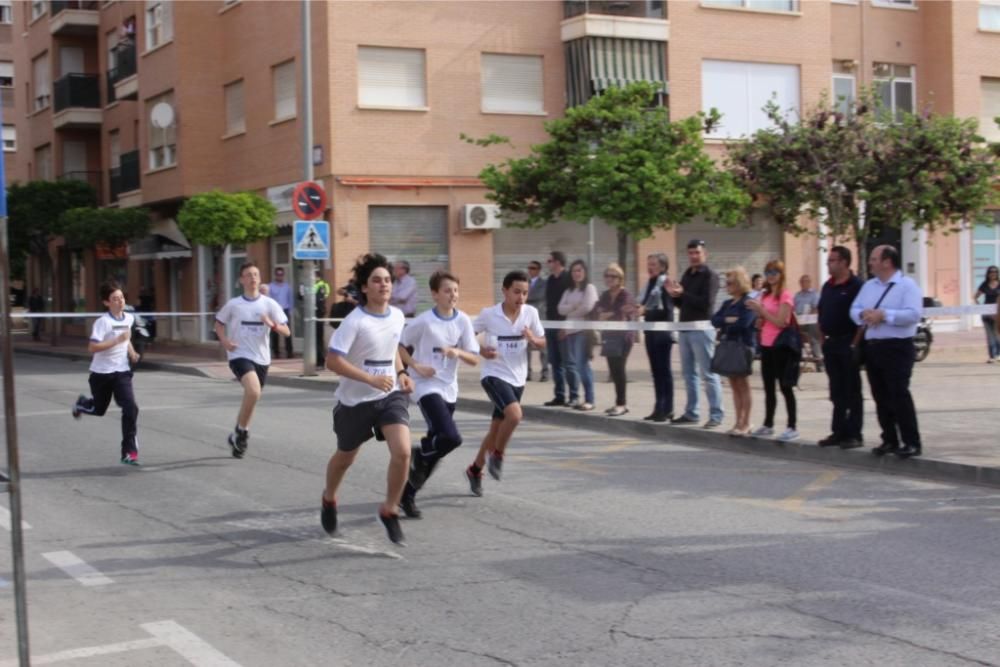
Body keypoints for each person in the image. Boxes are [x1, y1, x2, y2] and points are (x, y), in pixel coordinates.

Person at [322, 253, 414, 545]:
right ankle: (329, 498)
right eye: (376, 280)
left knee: (402, 451)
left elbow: (391, 351)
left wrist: (401, 373)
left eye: (387, 280)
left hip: (389, 396)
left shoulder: (398, 316)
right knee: (345, 458)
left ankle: (389, 510)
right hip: (355, 402)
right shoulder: (355, 321)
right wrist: (370, 378)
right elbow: (333, 361)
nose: (384, 285)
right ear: (364, 287)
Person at [397, 271, 480, 518]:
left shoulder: (463, 320)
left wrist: (458, 353)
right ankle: (421, 450)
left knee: (439, 447)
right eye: (447, 290)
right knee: (451, 438)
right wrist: (416, 366)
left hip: (449, 388)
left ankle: (407, 495)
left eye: (455, 290)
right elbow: (399, 347)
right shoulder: (423, 321)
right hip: (425, 385)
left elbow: (474, 358)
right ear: (435, 294)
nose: (452, 295)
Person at [466, 270, 546, 496]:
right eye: (516, 292)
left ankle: (475, 469)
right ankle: (498, 456)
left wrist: (533, 339)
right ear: (505, 291)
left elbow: (543, 342)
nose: (521, 298)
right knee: (515, 415)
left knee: (495, 431)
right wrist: (481, 350)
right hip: (494, 375)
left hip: (517, 378)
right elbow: (467, 334)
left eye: (525, 293)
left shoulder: (530, 313)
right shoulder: (489, 314)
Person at [850, 244, 924, 458]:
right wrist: (864, 314)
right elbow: (854, 310)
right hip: (874, 347)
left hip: (898, 347)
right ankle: (889, 439)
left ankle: (911, 441)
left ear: (887, 262)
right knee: (880, 395)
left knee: (899, 394)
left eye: (874, 258)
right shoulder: (869, 286)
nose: (870, 262)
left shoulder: (907, 285)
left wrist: (885, 315)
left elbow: (913, 315)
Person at [214, 261, 291, 459]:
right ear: (241, 280)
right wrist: (225, 342)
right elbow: (219, 324)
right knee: (253, 390)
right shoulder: (234, 304)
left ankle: (239, 432)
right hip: (239, 355)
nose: (253, 278)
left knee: (253, 396)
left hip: (262, 358)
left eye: (256, 274)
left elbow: (286, 331)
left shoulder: (269, 304)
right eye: (248, 275)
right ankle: (244, 433)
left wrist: (271, 324)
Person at [71, 281, 142, 465]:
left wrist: (131, 351)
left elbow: (126, 339)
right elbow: (92, 347)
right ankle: (82, 405)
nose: (120, 301)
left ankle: (129, 452)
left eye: (121, 298)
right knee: (99, 409)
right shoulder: (103, 322)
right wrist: (117, 340)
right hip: (101, 374)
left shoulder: (129, 318)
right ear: (106, 303)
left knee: (131, 408)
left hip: (122, 372)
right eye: (115, 299)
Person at [667, 239, 723, 428]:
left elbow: (706, 304)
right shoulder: (688, 274)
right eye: (690, 253)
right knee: (689, 373)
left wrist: (683, 294)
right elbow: (682, 303)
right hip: (685, 328)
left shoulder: (710, 276)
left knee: (708, 373)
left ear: (704, 254)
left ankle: (716, 414)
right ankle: (692, 412)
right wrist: (674, 296)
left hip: (701, 329)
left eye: (696, 253)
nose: (693, 256)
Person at [816, 245, 864, 449]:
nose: (829, 264)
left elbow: (862, 319)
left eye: (832, 260)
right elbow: (821, 312)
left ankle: (854, 433)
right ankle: (838, 430)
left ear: (844, 262)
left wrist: (854, 344)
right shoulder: (828, 286)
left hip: (848, 342)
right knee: (836, 390)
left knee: (852, 390)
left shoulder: (857, 285)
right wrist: (822, 338)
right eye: (828, 260)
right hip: (831, 343)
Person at [747, 260, 800, 442]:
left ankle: (792, 426)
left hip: (781, 346)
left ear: (781, 274)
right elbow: (765, 321)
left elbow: (781, 322)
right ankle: (768, 423)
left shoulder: (785, 296)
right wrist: (759, 319)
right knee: (768, 387)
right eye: (768, 272)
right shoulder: (765, 295)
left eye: (774, 272)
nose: (770, 275)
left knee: (785, 387)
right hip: (766, 345)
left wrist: (762, 311)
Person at [711, 267, 756, 436]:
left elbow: (744, 323)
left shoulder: (748, 302)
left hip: (743, 346)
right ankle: (737, 421)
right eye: (726, 282)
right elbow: (715, 320)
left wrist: (727, 322)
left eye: (730, 282)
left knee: (743, 384)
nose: (727, 286)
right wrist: (728, 320)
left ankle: (746, 422)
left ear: (739, 283)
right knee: (734, 385)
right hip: (728, 345)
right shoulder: (727, 304)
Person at [592, 263, 637, 416]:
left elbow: (622, 312)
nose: (609, 279)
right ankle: (618, 402)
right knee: (613, 370)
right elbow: (595, 311)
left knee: (619, 369)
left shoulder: (626, 295)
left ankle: (622, 404)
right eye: (607, 276)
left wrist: (606, 313)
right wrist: (605, 313)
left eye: (613, 276)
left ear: (620, 278)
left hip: (624, 337)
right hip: (609, 337)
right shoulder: (605, 295)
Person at [637, 253, 675, 422]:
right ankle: (658, 406)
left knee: (663, 371)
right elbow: (644, 303)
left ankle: (667, 408)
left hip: (662, 333)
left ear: (662, 266)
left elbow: (666, 310)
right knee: (655, 372)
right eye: (648, 263)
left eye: (653, 264)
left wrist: (646, 311)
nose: (649, 267)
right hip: (650, 332)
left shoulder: (665, 283)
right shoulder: (650, 283)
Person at [558, 260, 599, 411]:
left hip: (584, 332)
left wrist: (571, 311)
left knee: (583, 365)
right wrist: (574, 307)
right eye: (574, 270)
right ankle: (582, 398)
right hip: (570, 332)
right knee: (576, 365)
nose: (577, 273)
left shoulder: (589, 288)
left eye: (579, 270)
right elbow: (560, 309)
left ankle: (590, 399)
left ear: (585, 272)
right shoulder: (569, 291)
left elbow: (587, 308)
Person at [543, 251, 576, 407]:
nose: (547, 263)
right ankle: (559, 395)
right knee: (555, 362)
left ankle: (574, 396)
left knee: (568, 363)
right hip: (551, 325)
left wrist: (566, 325)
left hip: (564, 326)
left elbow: (571, 304)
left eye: (550, 261)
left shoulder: (568, 278)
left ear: (557, 262)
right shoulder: (550, 279)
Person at [794, 274, 823, 372]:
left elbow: (816, 308)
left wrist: (808, 314)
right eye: (802, 282)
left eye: (806, 281)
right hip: (799, 321)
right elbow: (793, 308)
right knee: (791, 333)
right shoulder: (797, 295)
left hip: (810, 320)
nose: (804, 283)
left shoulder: (814, 294)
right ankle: (794, 361)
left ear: (809, 283)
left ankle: (819, 361)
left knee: (813, 333)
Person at [526, 260, 548, 382]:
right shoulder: (525, 282)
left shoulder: (544, 283)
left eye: (533, 268)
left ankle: (545, 372)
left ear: (538, 270)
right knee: (526, 347)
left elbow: (538, 296)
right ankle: (527, 373)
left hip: (540, 317)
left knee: (542, 347)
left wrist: (524, 295)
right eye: (529, 268)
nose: (530, 270)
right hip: (526, 318)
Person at [974, 266, 1000, 363]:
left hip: (998, 315)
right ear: (988, 274)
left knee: (997, 335)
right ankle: (991, 356)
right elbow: (975, 297)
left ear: (997, 274)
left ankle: (998, 354)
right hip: (986, 315)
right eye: (991, 272)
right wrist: (980, 307)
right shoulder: (984, 285)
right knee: (989, 336)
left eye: (995, 272)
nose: (993, 274)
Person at [267, 267, 294, 359]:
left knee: (287, 332)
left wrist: (290, 310)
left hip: (285, 310)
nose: (280, 276)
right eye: (278, 274)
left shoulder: (287, 286)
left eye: (281, 274)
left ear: (283, 275)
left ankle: (289, 352)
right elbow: (269, 299)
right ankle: (276, 352)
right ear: (275, 275)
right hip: (274, 311)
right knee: (274, 332)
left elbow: (290, 299)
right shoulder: (270, 286)